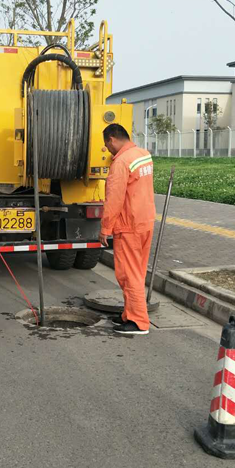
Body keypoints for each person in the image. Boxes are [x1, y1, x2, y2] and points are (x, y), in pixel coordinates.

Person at [99, 123, 156, 335]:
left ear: (112, 139)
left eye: (107, 145)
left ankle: (138, 322)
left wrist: (105, 228)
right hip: (145, 221)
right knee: (137, 272)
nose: (107, 149)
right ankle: (128, 314)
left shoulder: (121, 162)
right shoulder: (143, 154)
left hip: (128, 226)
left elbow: (114, 200)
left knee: (128, 275)